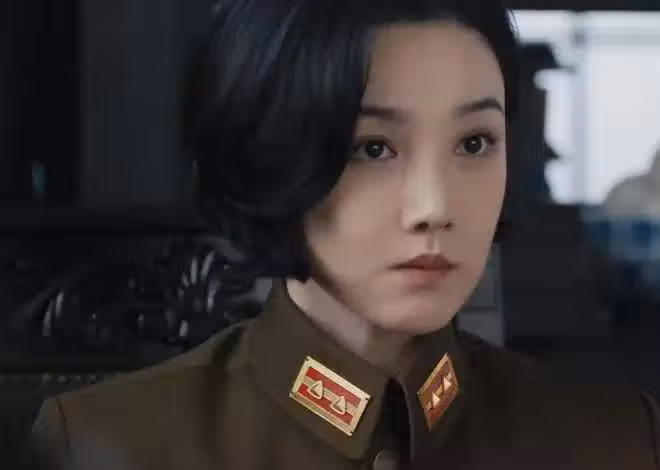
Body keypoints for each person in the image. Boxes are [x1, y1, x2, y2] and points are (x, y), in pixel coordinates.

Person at [29, 0, 660, 469]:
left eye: (474, 143)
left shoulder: (615, 443)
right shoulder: (105, 446)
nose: (435, 207)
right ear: (270, 153)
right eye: (373, 148)